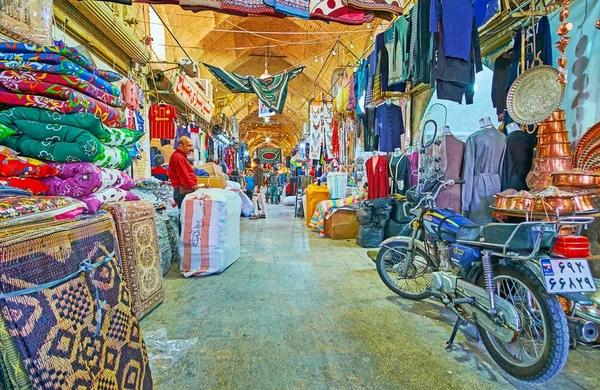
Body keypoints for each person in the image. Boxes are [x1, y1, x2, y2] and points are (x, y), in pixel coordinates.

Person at [168, 136, 200, 208]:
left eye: (192, 145)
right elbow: (184, 176)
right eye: (189, 145)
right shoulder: (178, 157)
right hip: (182, 191)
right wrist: (195, 187)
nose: (191, 148)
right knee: (184, 215)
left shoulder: (180, 156)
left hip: (182, 190)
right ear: (180, 146)